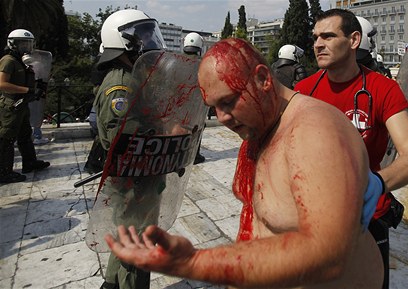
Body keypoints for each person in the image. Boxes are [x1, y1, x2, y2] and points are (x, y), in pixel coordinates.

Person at [104, 37, 385, 289]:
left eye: (228, 101)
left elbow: (327, 256)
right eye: (213, 107)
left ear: (263, 78)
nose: (222, 117)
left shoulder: (313, 131)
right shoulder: (261, 124)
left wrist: (193, 263)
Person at [294, 9, 408, 289]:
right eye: (316, 37)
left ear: (354, 40)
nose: (318, 43)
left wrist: (377, 183)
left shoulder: (383, 89)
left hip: (367, 218)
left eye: (328, 36)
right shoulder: (304, 91)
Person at [92, 9, 167, 289]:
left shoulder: (129, 76)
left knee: (126, 234)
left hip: (136, 178)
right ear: (124, 41)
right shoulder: (121, 86)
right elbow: (124, 140)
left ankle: (112, 283)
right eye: (143, 36)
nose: (149, 41)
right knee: (138, 244)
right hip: (133, 180)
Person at [0, 29, 50, 184]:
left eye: (28, 43)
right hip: (11, 104)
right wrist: (28, 90)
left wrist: (37, 85)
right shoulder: (9, 60)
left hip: (22, 103)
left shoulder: (21, 60)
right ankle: (4, 172)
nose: (26, 47)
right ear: (12, 43)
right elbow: (2, 84)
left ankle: (29, 162)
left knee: (25, 135)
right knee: (6, 138)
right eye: (22, 43)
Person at [183, 32, 206, 164]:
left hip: (179, 103)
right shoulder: (203, 64)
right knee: (197, 128)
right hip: (196, 104)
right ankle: (194, 156)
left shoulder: (176, 59)